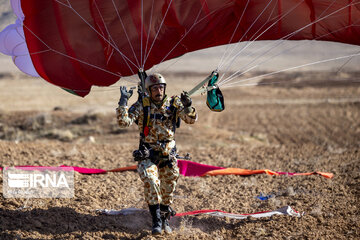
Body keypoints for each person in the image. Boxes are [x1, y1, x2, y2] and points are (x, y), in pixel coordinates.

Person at [116, 73, 197, 235]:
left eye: (161, 87)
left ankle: (165, 218)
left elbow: (190, 120)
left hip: (168, 155)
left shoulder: (173, 104)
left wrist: (188, 105)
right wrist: (123, 102)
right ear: (149, 90)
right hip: (148, 154)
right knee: (152, 183)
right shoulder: (142, 106)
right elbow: (123, 122)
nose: (158, 91)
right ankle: (156, 221)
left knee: (168, 189)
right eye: (154, 88)